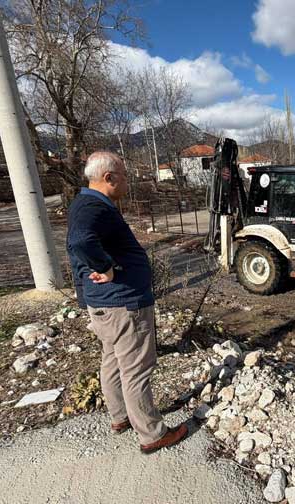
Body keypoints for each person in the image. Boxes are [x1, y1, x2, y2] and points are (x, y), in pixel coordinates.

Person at [66, 151, 188, 453]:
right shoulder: (94, 207)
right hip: (124, 305)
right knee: (136, 368)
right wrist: (106, 267)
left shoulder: (86, 204)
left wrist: (87, 294)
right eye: (124, 175)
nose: (127, 181)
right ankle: (152, 433)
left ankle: (120, 417)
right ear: (109, 178)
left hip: (105, 306)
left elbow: (78, 250)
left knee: (112, 360)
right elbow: (80, 242)